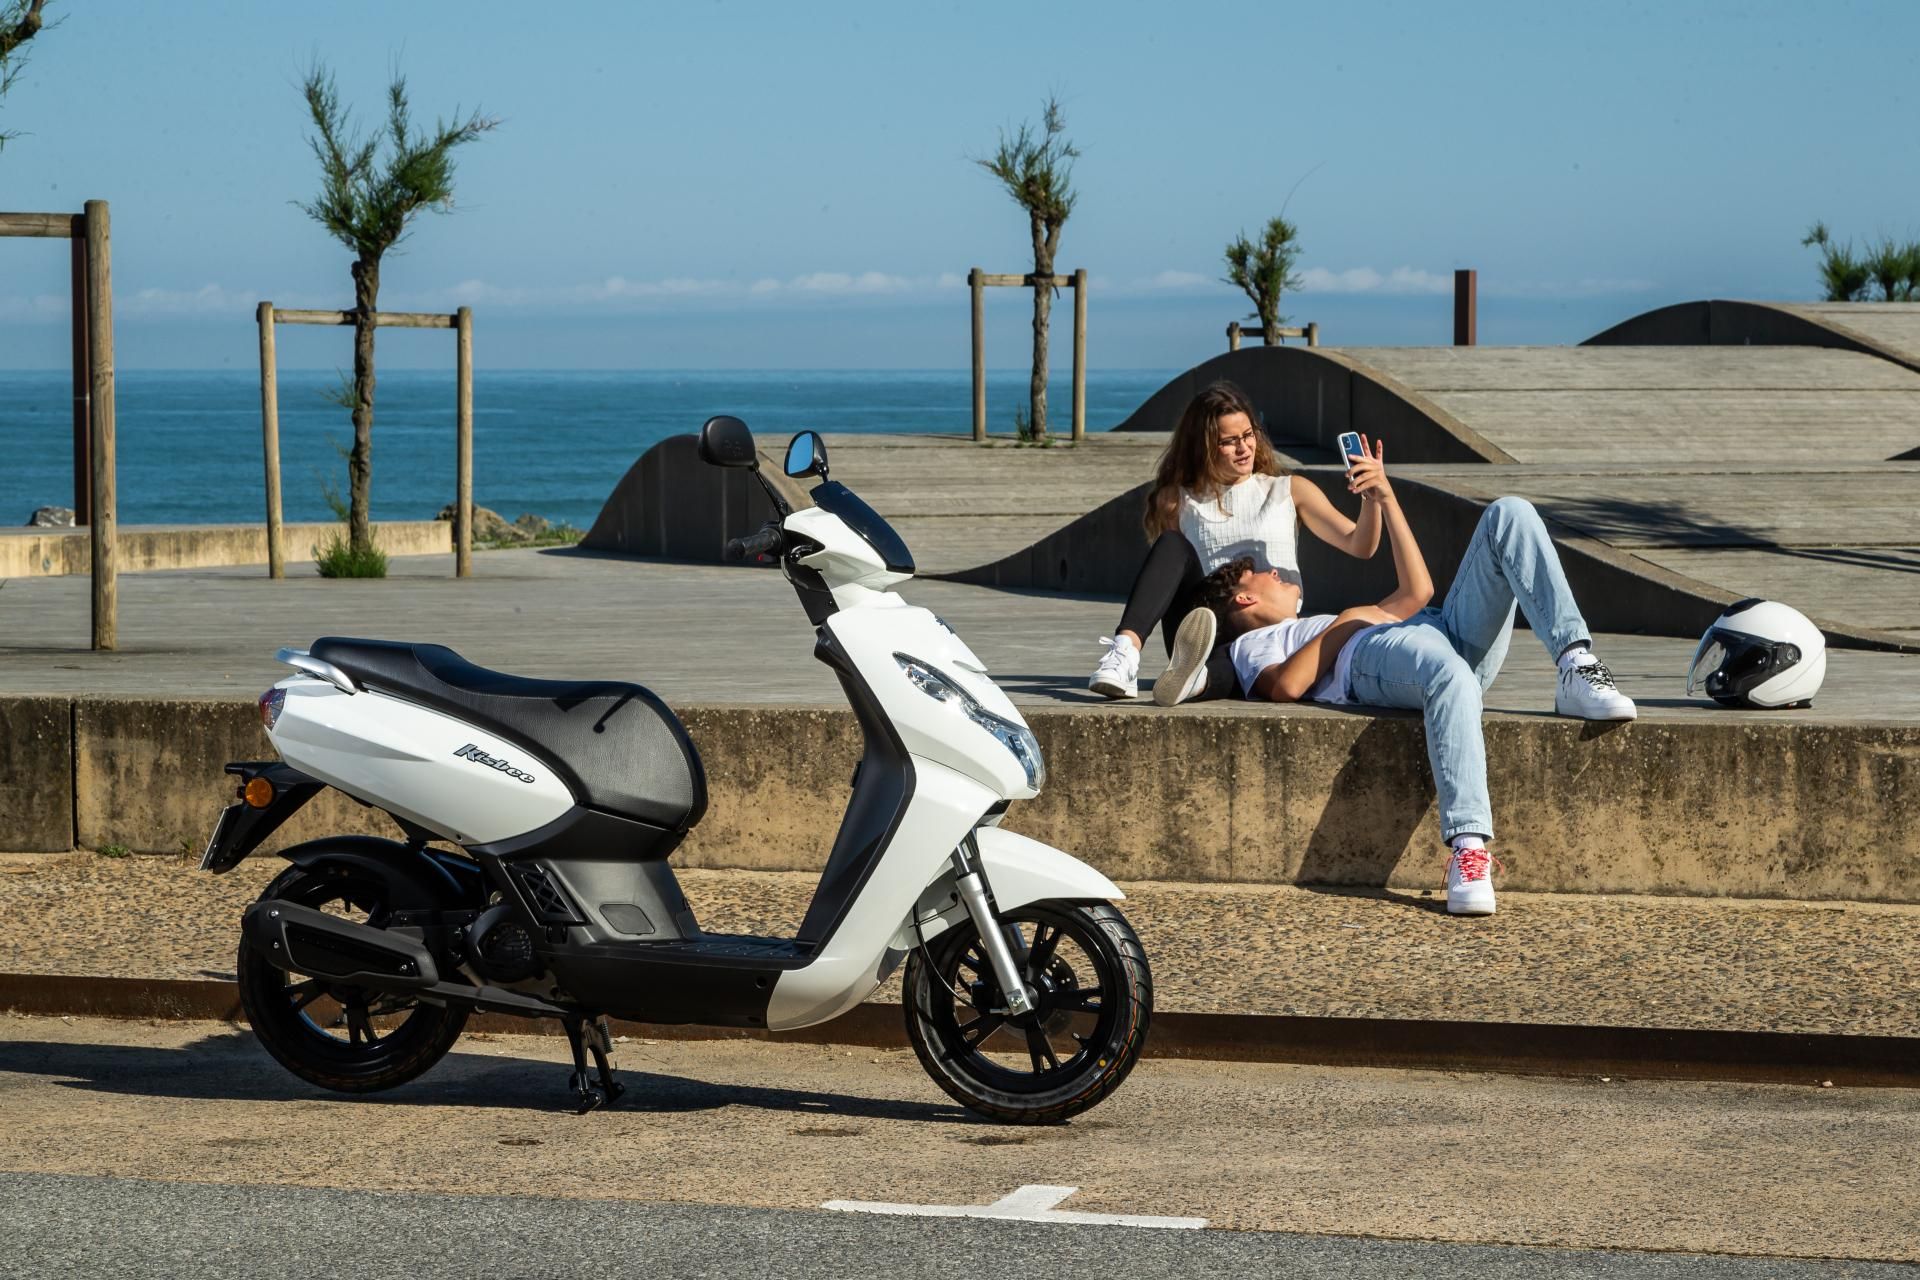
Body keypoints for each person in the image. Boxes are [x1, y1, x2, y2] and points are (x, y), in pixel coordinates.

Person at [1193, 462, 1636, 917]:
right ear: (1244, 598)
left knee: (1510, 513)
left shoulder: (1319, 622)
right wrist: (1350, 620)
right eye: (1262, 574)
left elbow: (1417, 591)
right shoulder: (1255, 643)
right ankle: (1469, 847)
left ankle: (1574, 661)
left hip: (1436, 629)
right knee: (1451, 675)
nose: (1276, 572)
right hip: (1373, 654)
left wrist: (1385, 498)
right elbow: (1287, 685)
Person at [1087, 381, 1388, 706]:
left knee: (1240, 661)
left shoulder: (1289, 490)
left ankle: (1196, 681)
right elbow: (1170, 574)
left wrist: (1371, 497)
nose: (1244, 448)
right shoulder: (1178, 500)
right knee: (1172, 544)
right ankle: (1126, 652)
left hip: (1270, 635)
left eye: (1248, 435)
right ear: (1203, 446)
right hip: (1201, 632)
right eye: (1229, 442)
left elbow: (1360, 545)